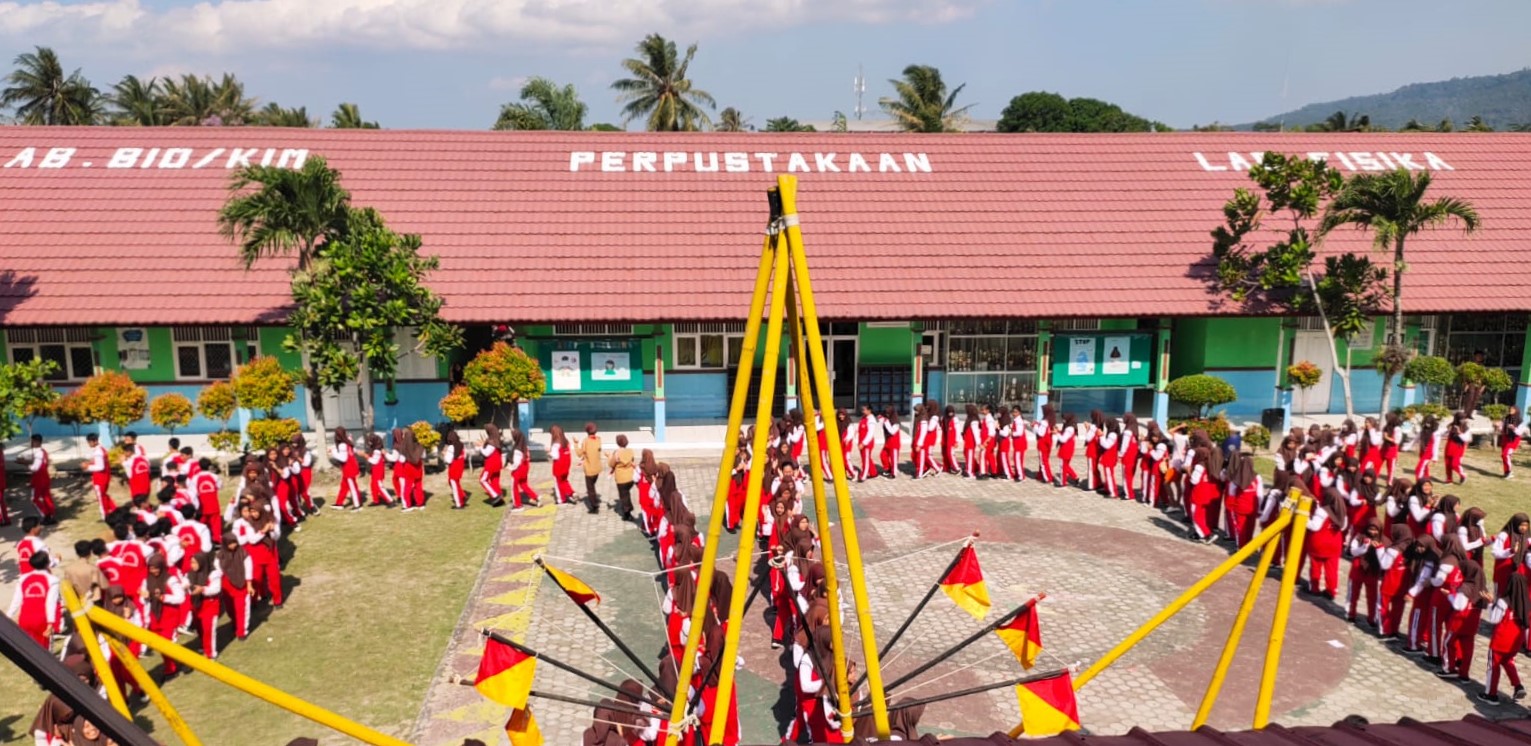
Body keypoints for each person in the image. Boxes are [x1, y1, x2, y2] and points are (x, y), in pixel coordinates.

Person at [1481, 572, 1530, 703]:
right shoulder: (1525, 603)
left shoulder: (1504, 602)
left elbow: (1493, 619)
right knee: (1508, 662)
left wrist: (1491, 603)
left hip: (1500, 640)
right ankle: (1518, 685)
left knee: (1493, 666)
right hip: (1515, 641)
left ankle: (1490, 694)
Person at [8, 551, 58, 647]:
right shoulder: (53, 580)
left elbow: (16, 600)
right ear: (47, 564)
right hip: (42, 619)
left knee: (27, 649)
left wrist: (8, 616)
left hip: (25, 618)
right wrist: (51, 622)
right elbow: (50, 603)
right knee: (43, 651)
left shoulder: (23, 579)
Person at [184, 550, 222, 659]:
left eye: (195, 563)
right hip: (196, 605)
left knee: (208, 630)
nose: (193, 565)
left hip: (209, 604)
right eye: (191, 562)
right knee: (200, 628)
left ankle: (210, 653)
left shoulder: (213, 573)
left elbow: (216, 589)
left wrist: (203, 589)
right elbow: (185, 581)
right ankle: (205, 646)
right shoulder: (190, 573)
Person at [216, 533, 253, 641]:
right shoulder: (219, 556)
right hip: (226, 585)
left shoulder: (243, 553)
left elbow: (248, 569)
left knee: (241, 608)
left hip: (241, 584)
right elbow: (218, 571)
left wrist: (249, 585)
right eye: (230, 543)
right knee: (230, 608)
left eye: (234, 542)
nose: (233, 545)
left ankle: (242, 631)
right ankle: (235, 622)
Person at [16, 434, 57, 524]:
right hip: (45, 477)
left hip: (39, 479)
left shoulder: (38, 453)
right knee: (46, 497)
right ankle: (51, 514)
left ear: (36, 441)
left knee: (34, 499)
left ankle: (45, 515)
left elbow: (35, 468)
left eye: (32, 441)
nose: (31, 443)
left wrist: (25, 464)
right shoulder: (43, 451)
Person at [63, 540, 108, 608]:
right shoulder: (93, 569)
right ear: (90, 552)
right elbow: (105, 586)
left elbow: (68, 586)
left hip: (77, 602)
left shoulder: (68, 569)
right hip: (94, 603)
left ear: (76, 553)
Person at [506, 428, 539, 510]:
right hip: (524, 469)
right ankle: (535, 497)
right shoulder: (524, 446)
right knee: (524, 485)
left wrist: (510, 467)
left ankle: (517, 505)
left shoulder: (517, 449)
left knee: (514, 487)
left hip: (518, 471)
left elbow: (516, 463)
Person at [609, 434, 637, 518]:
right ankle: (628, 508)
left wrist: (610, 457)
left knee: (623, 496)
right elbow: (632, 460)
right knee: (626, 493)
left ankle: (627, 512)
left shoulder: (616, 454)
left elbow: (611, 464)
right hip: (630, 477)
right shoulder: (630, 451)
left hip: (621, 479)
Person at [548, 425, 576, 504]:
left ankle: (561, 499)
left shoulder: (556, 444)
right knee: (564, 481)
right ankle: (571, 493)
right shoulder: (566, 442)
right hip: (566, 466)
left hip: (558, 467)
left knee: (558, 483)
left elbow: (555, 456)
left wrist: (549, 453)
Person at [579, 423, 604, 513]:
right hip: (597, 468)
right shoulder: (598, 439)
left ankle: (594, 506)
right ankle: (595, 499)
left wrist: (575, 443)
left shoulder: (586, 441)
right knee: (592, 486)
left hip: (589, 469)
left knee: (590, 488)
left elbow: (579, 453)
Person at [442, 429, 470, 509]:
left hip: (453, 468)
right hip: (460, 467)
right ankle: (462, 496)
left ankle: (459, 503)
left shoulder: (451, 447)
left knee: (453, 484)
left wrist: (444, 454)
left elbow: (448, 460)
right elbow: (464, 456)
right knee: (455, 483)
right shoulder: (461, 445)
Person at [478, 424, 505, 506]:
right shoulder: (497, 439)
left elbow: (486, 453)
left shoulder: (491, 442)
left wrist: (480, 447)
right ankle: (499, 497)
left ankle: (495, 496)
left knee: (482, 480)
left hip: (490, 465)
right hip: (497, 464)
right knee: (494, 481)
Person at [1500, 406, 1527, 478]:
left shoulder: (1520, 421)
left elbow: (1519, 432)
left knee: (1506, 454)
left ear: (1516, 411)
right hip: (1505, 438)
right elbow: (1502, 427)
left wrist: (1514, 428)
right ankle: (1506, 472)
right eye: (1510, 409)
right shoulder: (1506, 418)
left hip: (1513, 440)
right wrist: (1498, 426)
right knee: (1503, 455)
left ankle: (1509, 471)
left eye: (1513, 409)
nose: (1510, 410)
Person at [1444, 412, 1471, 484]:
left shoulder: (1466, 428)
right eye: (1460, 419)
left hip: (1458, 447)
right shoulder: (1452, 425)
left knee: (1455, 464)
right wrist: (1448, 430)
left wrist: (1459, 432)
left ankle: (1463, 475)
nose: (1462, 420)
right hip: (1449, 445)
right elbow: (1446, 433)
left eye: (1463, 419)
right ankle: (1449, 479)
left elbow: (1466, 439)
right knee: (1448, 463)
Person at [1415, 414, 1442, 482]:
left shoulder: (1436, 433)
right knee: (1425, 468)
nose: (1427, 425)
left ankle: (1419, 483)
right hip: (1422, 451)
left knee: (1418, 469)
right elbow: (1416, 439)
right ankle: (1426, 481)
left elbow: (1436, 445)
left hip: (1428, 453)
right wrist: (1407, 446)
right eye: (1426, 423)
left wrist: (1435, 458)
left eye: (1429, 423)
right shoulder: (1423, 430)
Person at [878, 406, 901, 480]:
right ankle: (888, 468)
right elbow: (883, 427)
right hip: (888, 441)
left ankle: (894, 473)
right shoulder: (887, 419)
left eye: (888, 413)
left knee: (893, 459)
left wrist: (886, 421)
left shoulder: (896, 422)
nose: (887, 415)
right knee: (883, 455)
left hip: (894, 443)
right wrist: (881, 420)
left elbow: (892, 431)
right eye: (886, 413)